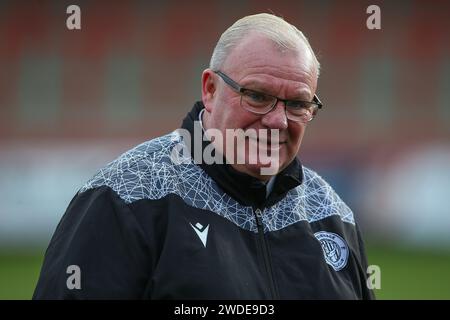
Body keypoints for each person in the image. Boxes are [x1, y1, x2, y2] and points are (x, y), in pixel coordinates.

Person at [33, 13, 374, 300]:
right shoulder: (125, 196)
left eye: (298, 104)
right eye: (257, 95)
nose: (277, 120)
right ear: (210, 89)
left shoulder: (329, 211)